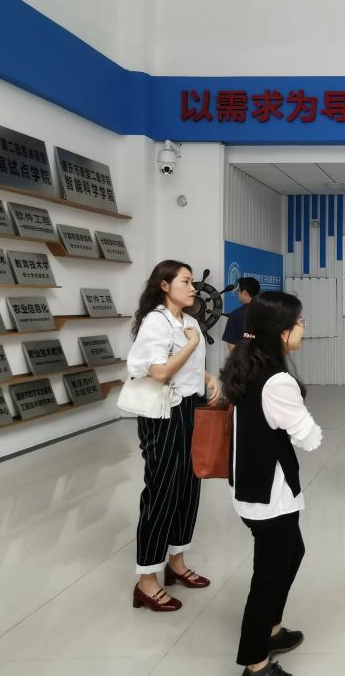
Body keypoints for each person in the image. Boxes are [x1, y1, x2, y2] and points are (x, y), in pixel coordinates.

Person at [221, 291, 323, 676]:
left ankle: (272, 628)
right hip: (269, 494)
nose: (303, 327)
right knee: (268, 576)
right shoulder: (277, 380)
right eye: (300, 322)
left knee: (292, 552)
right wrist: (302, 419)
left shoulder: (248, 364)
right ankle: (255, 662)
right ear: (282, 332)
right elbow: (309, 438)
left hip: (251, 485)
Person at [127, 260, 222, 612]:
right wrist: (191, 345)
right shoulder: (156, 321)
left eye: (193, 282)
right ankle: (146, 580)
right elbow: (159, 371)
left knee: (188, 487)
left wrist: (209, 378)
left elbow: (190, 369)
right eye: (185, 281)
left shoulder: (190, 322)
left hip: (191, 408)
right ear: (165, 286)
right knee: (162, 490)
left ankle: (176, 562)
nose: (193, 288)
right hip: (164, 414)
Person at [224, 277, 261, 351]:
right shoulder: (269, 311)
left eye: (238, 291)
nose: (237, 294)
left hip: (243, 357)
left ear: (244, 293)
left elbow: (231, 345)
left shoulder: (236, 315)